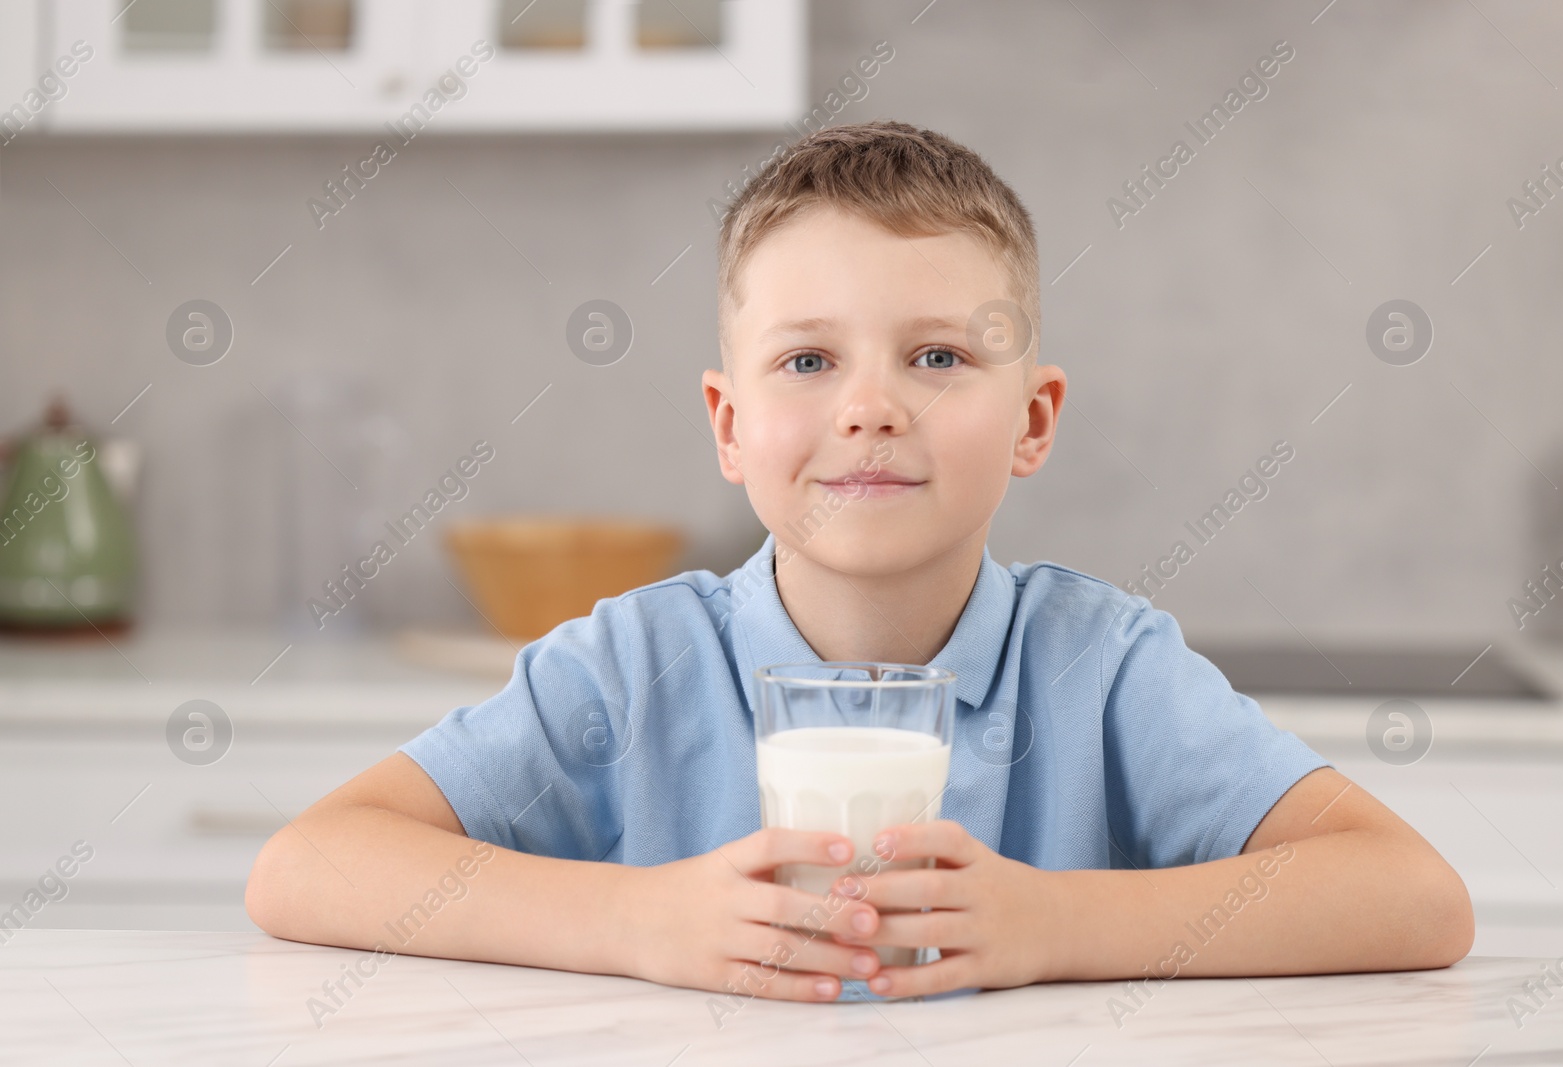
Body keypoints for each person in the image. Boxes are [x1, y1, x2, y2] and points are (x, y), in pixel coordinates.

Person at [246, 120, 1473, 1005]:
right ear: (728, 425)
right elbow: (308, 863)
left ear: (1033, 420)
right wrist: (639, 917)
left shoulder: (1103, 670)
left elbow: (1412, 895)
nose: (871, 407)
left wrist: (1053, 922)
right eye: (806, 361)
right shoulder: (635, 666)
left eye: (937, 356)